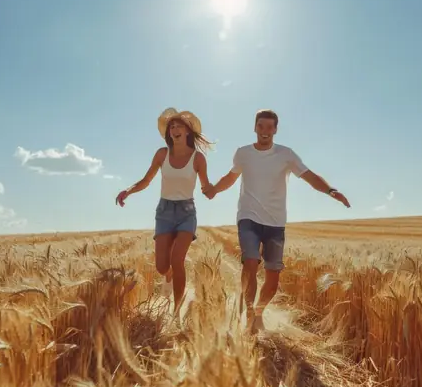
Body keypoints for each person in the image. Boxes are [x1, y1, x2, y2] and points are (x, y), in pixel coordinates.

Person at [202, 109, 351, 332]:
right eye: (261, 126)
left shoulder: (286, 154)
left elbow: (309, 176)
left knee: (273, 280)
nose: (265, 131)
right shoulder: (243, 153)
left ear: (275, 130)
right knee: (250, 262)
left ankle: (260, 311)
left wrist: (330, 191)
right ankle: (250, 315)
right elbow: (231, 178)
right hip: (248, 217)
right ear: (255, 127)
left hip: (275, 222)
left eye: (270, 127)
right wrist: (214, 189)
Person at [115, 107, 213, 318]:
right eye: (172, 127)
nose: (175, 129)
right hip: (165, 212)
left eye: (179, 126)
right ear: (169, 133)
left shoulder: (198, 159)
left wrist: (211, 190)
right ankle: (169, 277)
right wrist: (128, 191)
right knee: (162, 267)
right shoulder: (162, 154)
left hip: (187, 212)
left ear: (188, 131)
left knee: (177, 260)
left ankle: (176, 311)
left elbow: (205, 185)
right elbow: (146, 180)